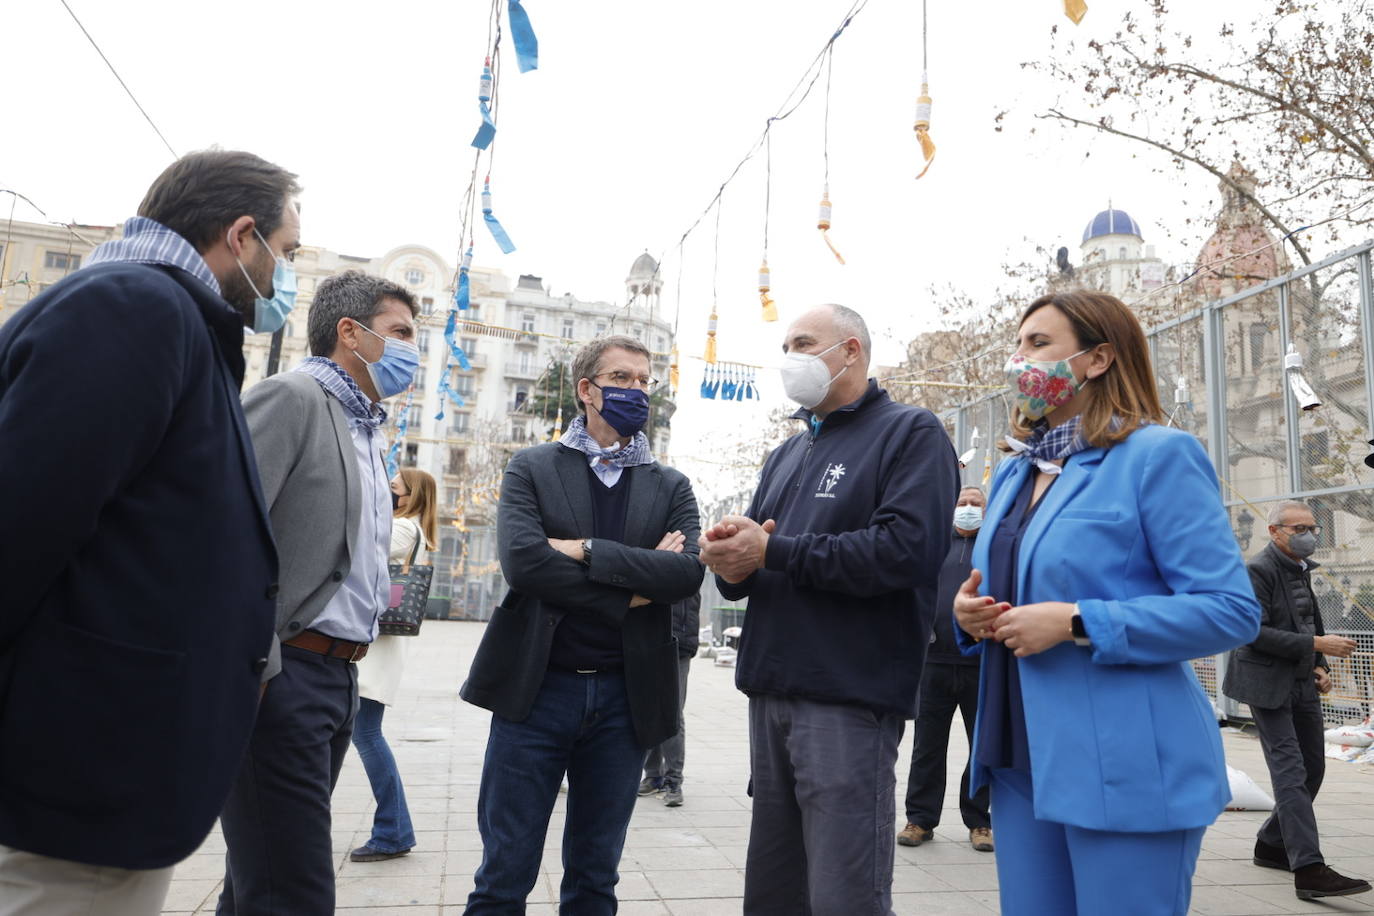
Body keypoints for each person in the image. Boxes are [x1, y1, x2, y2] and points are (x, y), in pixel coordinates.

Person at [0, 150, 298, 916]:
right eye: (285, 253)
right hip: (70, 785)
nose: (284, 278)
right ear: (241, 235)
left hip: (100, 780)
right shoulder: (136, 308)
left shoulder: (171, 318)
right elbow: (20, 524)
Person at [951, 290, 1261, 916]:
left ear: (1098, 359)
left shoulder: (1157, 455)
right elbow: (1007, 589)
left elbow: (1230, 609)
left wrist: (1076, 622)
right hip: (1018, 759)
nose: (1019, 360)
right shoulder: (1014, 473)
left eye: (1038, 344)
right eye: (1018, 344)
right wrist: (971, 614)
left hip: (1124, 767)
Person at [699, 304, 959, 916]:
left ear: (850, 351)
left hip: (847, 695)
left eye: (804, 342)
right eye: (786, 344)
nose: (790, 356)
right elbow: (765, 556)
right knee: (774, 888)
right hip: (771, 690)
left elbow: (906, 552)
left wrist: (775, 550)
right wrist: (734, 558)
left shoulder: (910, 432)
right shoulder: (785, 453)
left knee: (844, 892)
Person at [460, 335, 704, 914]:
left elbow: (684, 575)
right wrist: (631, 588)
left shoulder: (671, 485)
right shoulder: (534, 467)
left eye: (645, 381)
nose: (637, 391)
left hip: (626, 698)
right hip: (536, 691)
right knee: (503, 873)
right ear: (586, 390)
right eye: (622, 379)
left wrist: (585, 550)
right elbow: (525, 564)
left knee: (596, 878)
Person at [217, 270, 419, 915]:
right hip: (286, 673)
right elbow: (220, 532)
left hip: (338, 679)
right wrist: (261, 666)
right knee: (294, 892)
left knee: (262, 883)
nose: (414, 350)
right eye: (401, 333)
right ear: (350, 333)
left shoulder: (366, 428)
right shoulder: (293, 398)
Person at [1222, 500, 1370, 900]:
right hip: (1265, 685)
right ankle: (1308, 868)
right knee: (1289, 772)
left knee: (1313, 769)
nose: (1309, 535)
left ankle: (1271, 844)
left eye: (1313, 528)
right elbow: (1250, 631)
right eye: (1299, 528)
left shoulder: (1301, 570)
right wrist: (1316, 644)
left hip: (1302, 680)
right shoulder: (1257, 570)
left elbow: (1307, 620)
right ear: (1274, 532)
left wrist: (1318, 662)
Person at [349, 468, 440, 863]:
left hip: (376, 652)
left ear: (409, 496)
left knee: (366, 736)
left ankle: (393, 830)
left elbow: (359, 551)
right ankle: (393, 829)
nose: (387, 494)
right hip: (375, 649)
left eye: (393, 489)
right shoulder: (407, 527)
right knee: (362, 735)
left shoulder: (402, 530)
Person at [899, 486, 993, 853]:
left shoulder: (993, 549)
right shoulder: (935, 545)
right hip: (933, 662)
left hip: (981, 664)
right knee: (927, 745)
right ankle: (920, 819)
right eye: (962, 503)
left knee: (982, 747)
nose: (968, 509)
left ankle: (979, 821)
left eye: (976, 504)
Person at [637, 591, 702, 807]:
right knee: (650, 710)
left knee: (672, 712)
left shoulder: (688, 557)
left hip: (679, 642)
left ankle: (673, 780)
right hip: (649, 642)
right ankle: (653, 775)